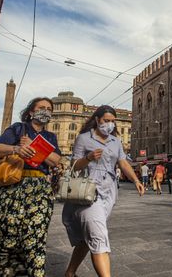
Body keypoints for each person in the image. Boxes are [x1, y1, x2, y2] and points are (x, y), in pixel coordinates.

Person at [0, 97, 61, 277]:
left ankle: (32, 270)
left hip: (39, 189)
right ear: (31, 112)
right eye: (41, 107)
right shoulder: (18, 128)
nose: (46, 111)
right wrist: (17, 149)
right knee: (6, 230)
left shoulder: (50, 136)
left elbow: (55, 160)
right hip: (13, 184)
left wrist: (33, 147)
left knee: (36, 232)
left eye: (49, 109)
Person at [62, 105, 144, 277]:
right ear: (97, 120)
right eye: (107, 121)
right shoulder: (84, 139)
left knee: (87, 238)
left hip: (109, 192)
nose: (110, 125)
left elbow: (122, 162)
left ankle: (70, 272)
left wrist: (136, 180)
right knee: (99, 236)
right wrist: (88, 158)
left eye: (113, 121)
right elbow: (74, 166)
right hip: (88, 191)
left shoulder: (116, 141)